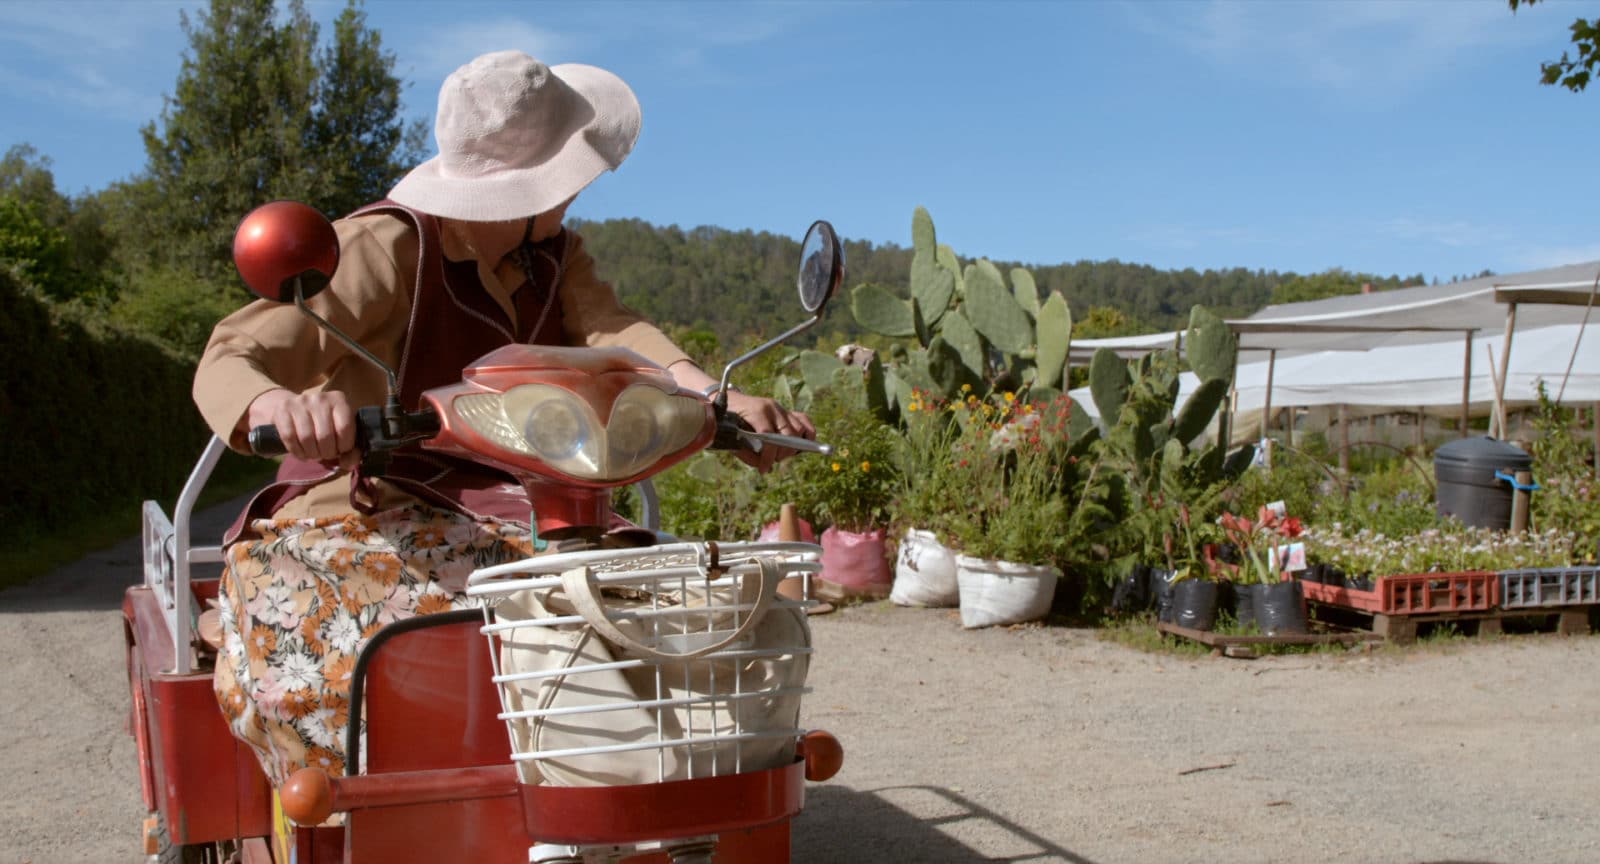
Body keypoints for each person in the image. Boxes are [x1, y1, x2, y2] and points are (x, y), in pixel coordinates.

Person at [192, 49, 814, 788]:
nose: (578, 193)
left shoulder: (553, 254)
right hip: (377, 503)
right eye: (573, 175)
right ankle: (383, 804)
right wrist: (281, 405)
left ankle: (639, 787)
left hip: (530, 506)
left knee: (676, 609)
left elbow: (618, 333)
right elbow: (235, 353)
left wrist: (718, 399)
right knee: (346, 650)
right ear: (532, 185)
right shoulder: (389, 246)